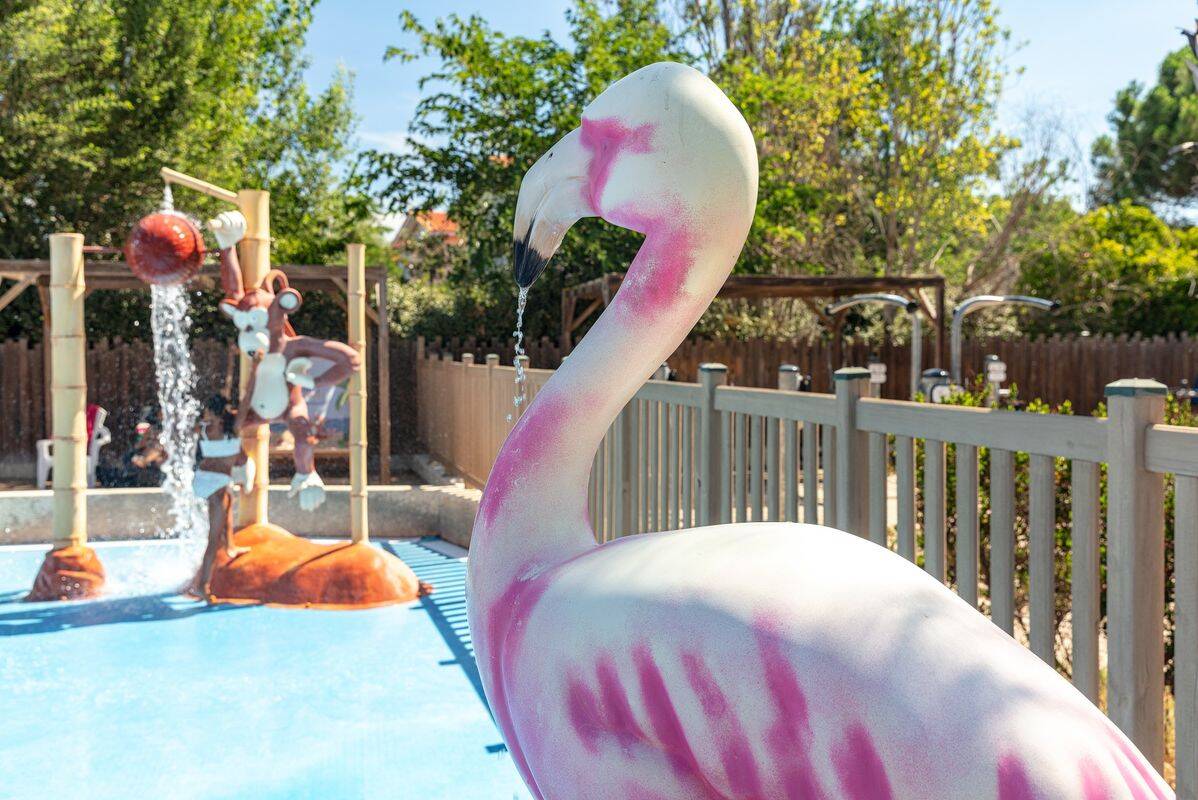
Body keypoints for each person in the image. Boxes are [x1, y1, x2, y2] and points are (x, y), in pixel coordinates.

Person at [191, 394, 249, 598]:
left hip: (203, 478)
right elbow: (247, 399)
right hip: (217, 482)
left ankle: (231, 545)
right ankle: (202, 586)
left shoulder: (204, 428)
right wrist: (256, 371)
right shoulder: (233, 429)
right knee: (212, 540)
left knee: (229, 498)